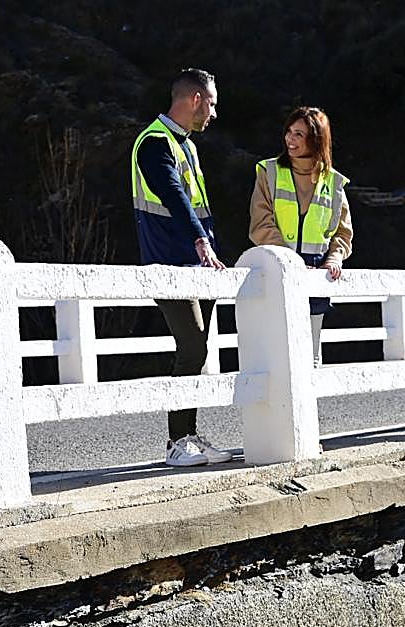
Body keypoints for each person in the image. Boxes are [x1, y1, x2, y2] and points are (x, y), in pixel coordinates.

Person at [131, 67, 234, 468]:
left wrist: (208, 250)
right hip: (168, 260)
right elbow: (173, 196)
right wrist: (200, 240)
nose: (213, 113)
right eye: (211, 104)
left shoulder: (186, 145)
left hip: (197, 263)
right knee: (192, 344)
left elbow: (199, 206)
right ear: (194, 99)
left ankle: (188, 435)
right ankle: (176, 442)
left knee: (198, 349)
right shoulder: (154, 143)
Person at [248, 105, 353, 365]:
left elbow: (343, 231)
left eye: (299, 134)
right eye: (289, 132)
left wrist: (335, 258)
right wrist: (290, 261)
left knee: (312, 357)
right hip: (277, 265)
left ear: (316, 140)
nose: (290, 139)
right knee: (278, 353)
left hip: (318, 271)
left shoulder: (335, 182)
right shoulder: (268, 172)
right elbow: (260, 223)